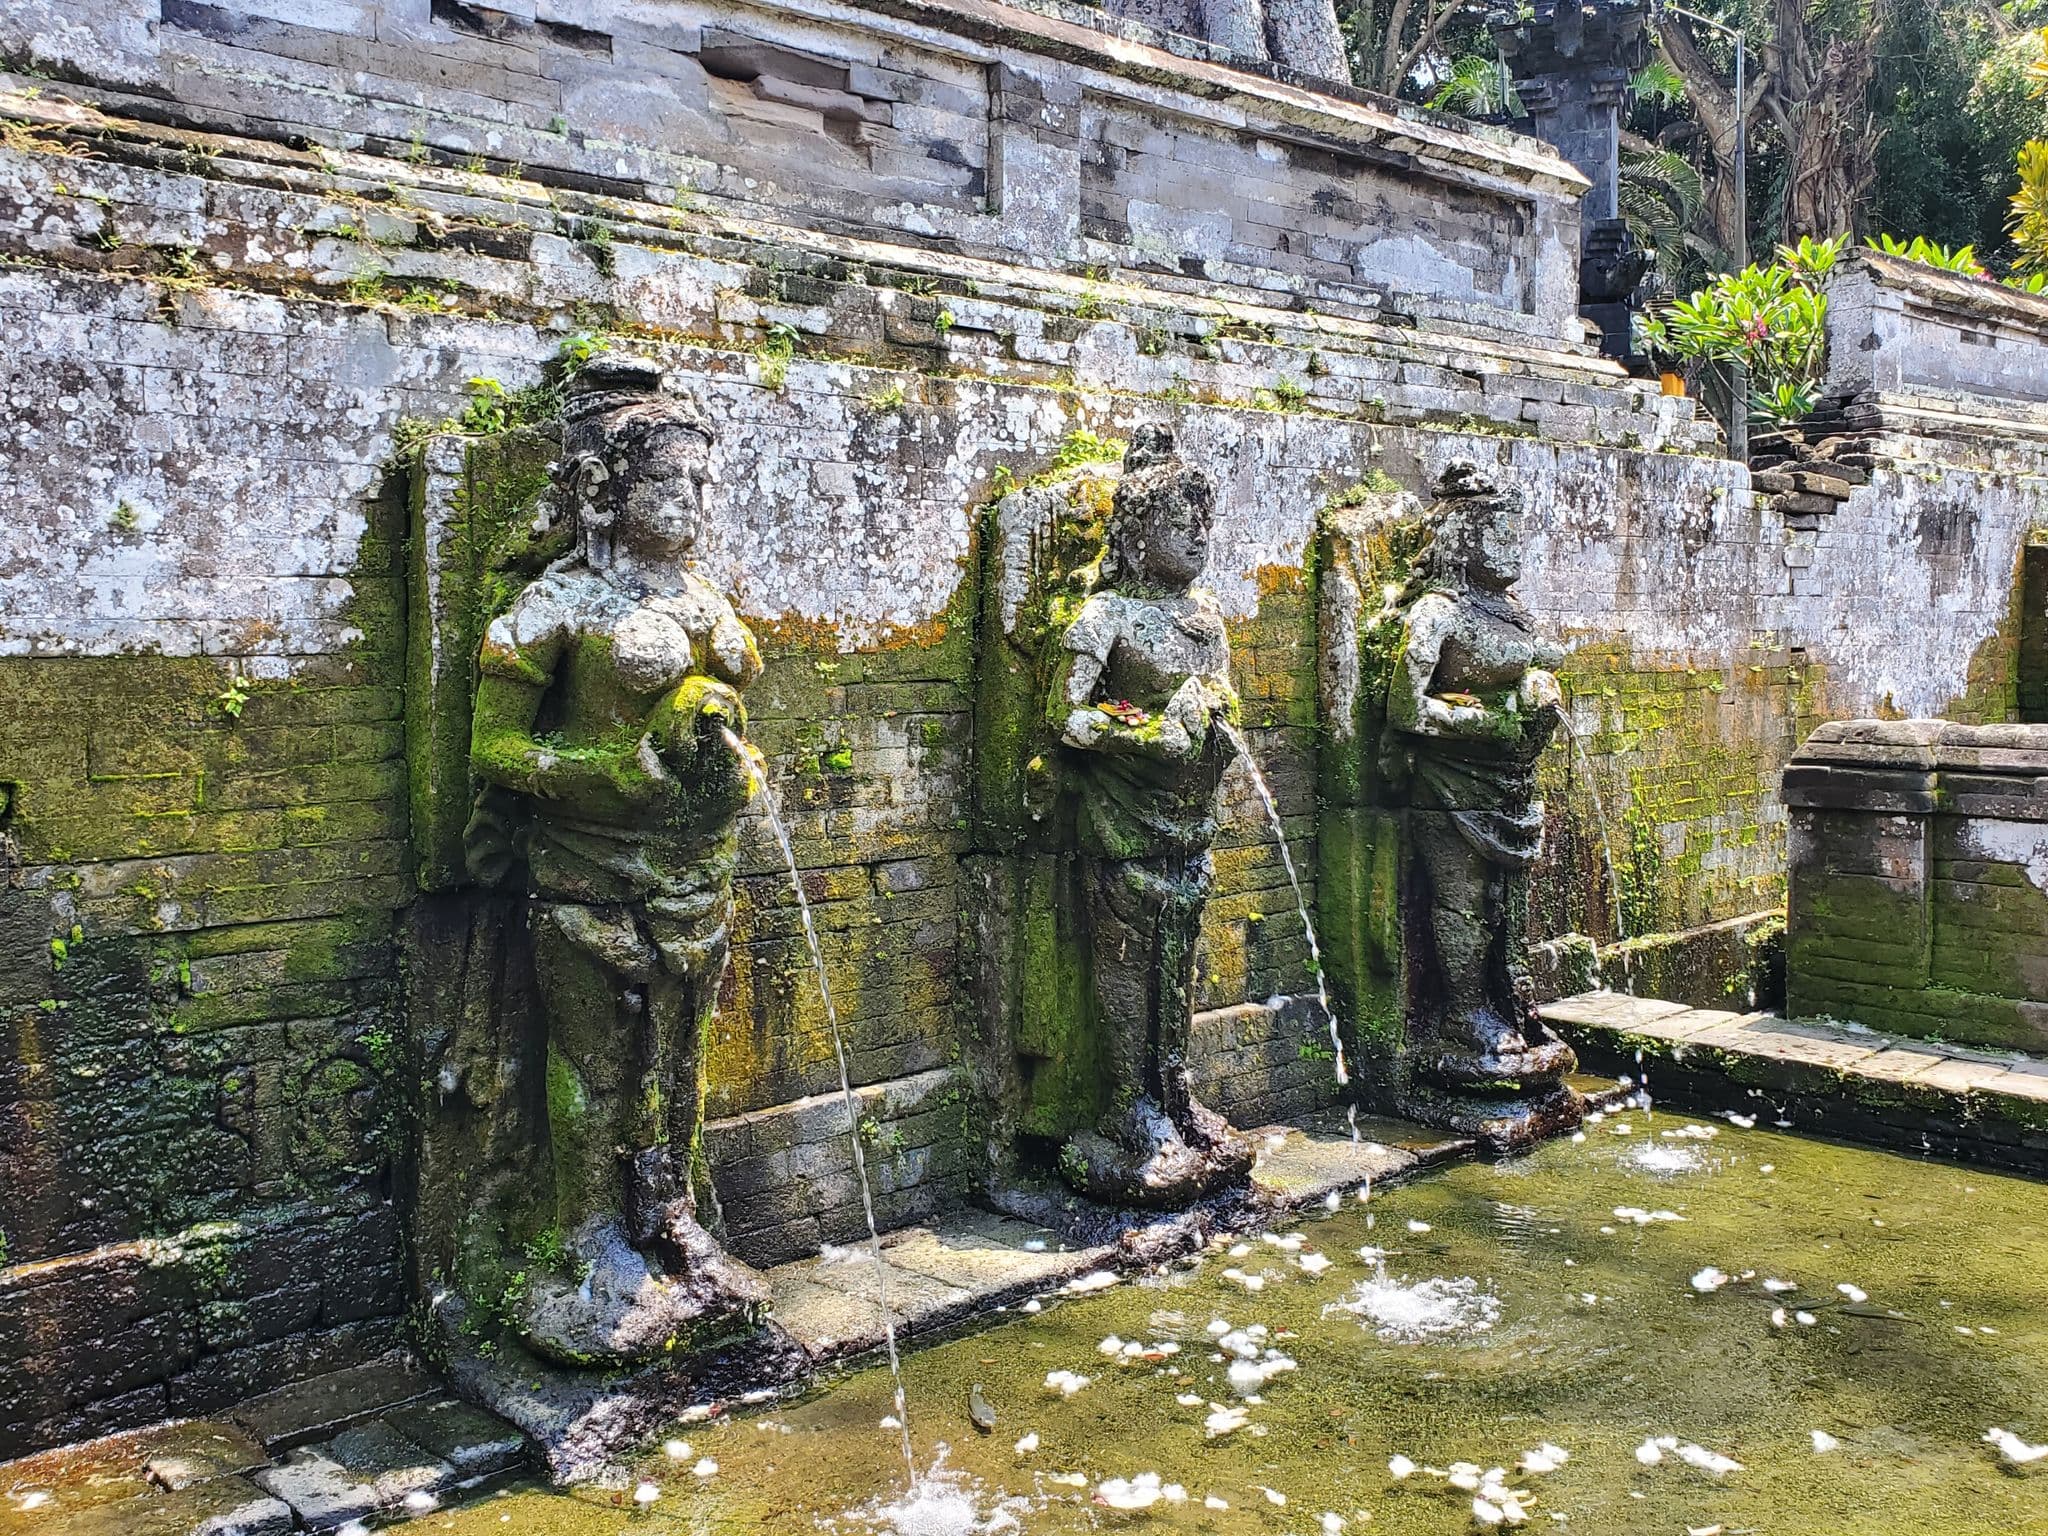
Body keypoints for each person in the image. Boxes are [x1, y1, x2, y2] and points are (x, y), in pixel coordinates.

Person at [466, 356, 765, 1364]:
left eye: (697, 485)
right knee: (592, 1067)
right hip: (591, 872)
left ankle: (666, 1216)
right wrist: (605, 771)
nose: (686, 503)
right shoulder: (557, 606)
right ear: (602, 491)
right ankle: (582, 1242)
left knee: (675, 1058)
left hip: (698, 871)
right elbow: (492, 750)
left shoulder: (702, 601)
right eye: (663, 484)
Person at [1048, 426, 1254, 1206]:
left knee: (1180, 959)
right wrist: (1145, 734)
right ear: (1134, 538)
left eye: (1205, 523)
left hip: (1188, 817)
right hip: (1125, 818)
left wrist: (1211, 729)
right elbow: (1066, 717)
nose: (1197, 537)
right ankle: (1125, 1107)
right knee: (1128, 959)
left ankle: (1173, 1088)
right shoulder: (1105, 619)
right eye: (1178, 522)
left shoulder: (1206, 621)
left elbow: (1226, 705)